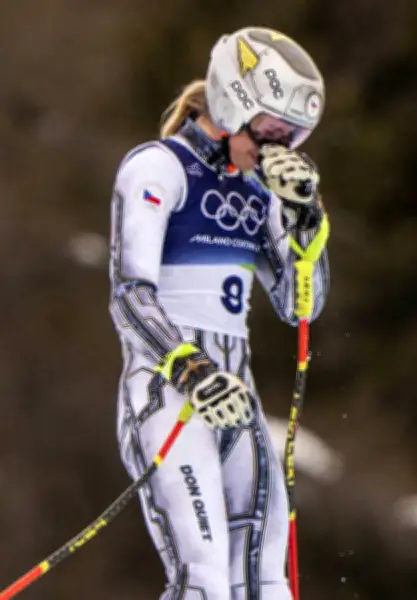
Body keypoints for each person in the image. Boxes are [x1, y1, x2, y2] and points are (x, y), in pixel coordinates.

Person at [107, 26, 330, 600]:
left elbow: (300, 304)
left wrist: (304, 215)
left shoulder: (260, 193)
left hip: (236, 397)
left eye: (294, 134)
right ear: (234, 100)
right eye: (273, 129)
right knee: (204, 579)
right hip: (168, 394)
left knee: (265, 583)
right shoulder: (158, 168)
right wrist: (189, 370)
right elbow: (130, 294)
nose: (280, 146)